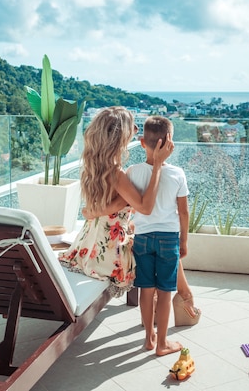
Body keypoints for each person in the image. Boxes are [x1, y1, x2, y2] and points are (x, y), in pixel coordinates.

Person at [58, 106, 173, 298]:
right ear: (120, 136)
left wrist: (96, 211)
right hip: (111, 250)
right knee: (164, 245)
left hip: (89, 242)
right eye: (133, 127)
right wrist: (158, 165)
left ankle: (183, 298)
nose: (137, 131)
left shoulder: (94, 165)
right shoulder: (116, 173)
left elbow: (108, 207)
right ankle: (176, 301)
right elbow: (144, 207)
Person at [127, 115, 190, 356]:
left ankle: (149, 338)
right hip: (168, 239)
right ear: (170, 143)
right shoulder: (177, 174)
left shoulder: (132, 171)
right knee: (165, 292)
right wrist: (183, 241)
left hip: (142, 239)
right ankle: (163, 343)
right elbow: (183, 212)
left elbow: (131, 207)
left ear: (142, 142)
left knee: (146, 290)